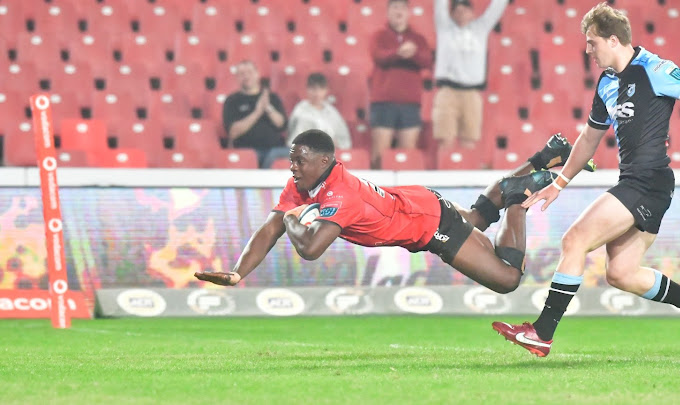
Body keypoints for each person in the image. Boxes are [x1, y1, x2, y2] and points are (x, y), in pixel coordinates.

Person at [493, 2, 680, 357]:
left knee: (574, 240)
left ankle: (542, 332)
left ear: (613, 40)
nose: (588, 50)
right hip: (641, 183)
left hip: (647, 181)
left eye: (592, 42)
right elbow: (588, 139)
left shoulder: (654, 68)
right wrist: (558, 183)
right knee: (621, 272)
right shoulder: (607, 83)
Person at [194, 130, 583, 298]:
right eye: (292, 160)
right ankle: (545, 154)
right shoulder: (304, 183)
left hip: (428, 223)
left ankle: (518, 194)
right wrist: (238, 272)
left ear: (325, 160)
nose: (292, 167)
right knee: (479, 219)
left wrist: (295, 219)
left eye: (299, 160)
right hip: (417, 203)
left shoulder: (340, 196)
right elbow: (269, 227)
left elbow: (310, 249)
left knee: (507, 278)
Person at [432, 0, 508, 149]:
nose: (461, 14)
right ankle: (445, 169)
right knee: (445, 139)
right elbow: (440, 6)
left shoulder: (481, 29)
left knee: (469, 140)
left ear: (472, 13)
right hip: (447, 91)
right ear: (452, 14)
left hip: (472, 93)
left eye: (465, 10)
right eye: (457, 11)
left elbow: (496, 8)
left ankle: (466, 169)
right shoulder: (444, 28)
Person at [370, 0, 432, 169]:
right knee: (379, 155)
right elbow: (378, 56)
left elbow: (427, 60)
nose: (399, 11)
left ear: (408, 12)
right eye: (395, 7)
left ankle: (402, 195)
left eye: (402, 7)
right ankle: (374, 192)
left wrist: (413, 53)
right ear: (388, 12)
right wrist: (399, 53)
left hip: (410, 103)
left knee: (407, 155)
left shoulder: (418, 39)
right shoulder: (379, 36)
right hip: (384, 101)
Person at [222, 60, 288, 169]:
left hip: (274, 151)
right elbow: (233, 132)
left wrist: (268, 108)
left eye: (250, 72)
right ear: (237, 78)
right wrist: (257, 112)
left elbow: (281, 124)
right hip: (247, 152)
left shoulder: (272, 97)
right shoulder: (232, 101)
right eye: (242, 74)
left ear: (257, 74)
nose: (246, 76)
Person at [287, 73, 352, 150]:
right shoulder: (300, 110)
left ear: (326, 90)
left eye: (321, 89)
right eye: (313, 89)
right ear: (307, 89)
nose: (317, 93)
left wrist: (335, 144)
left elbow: (345, 140)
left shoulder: (332, 112)